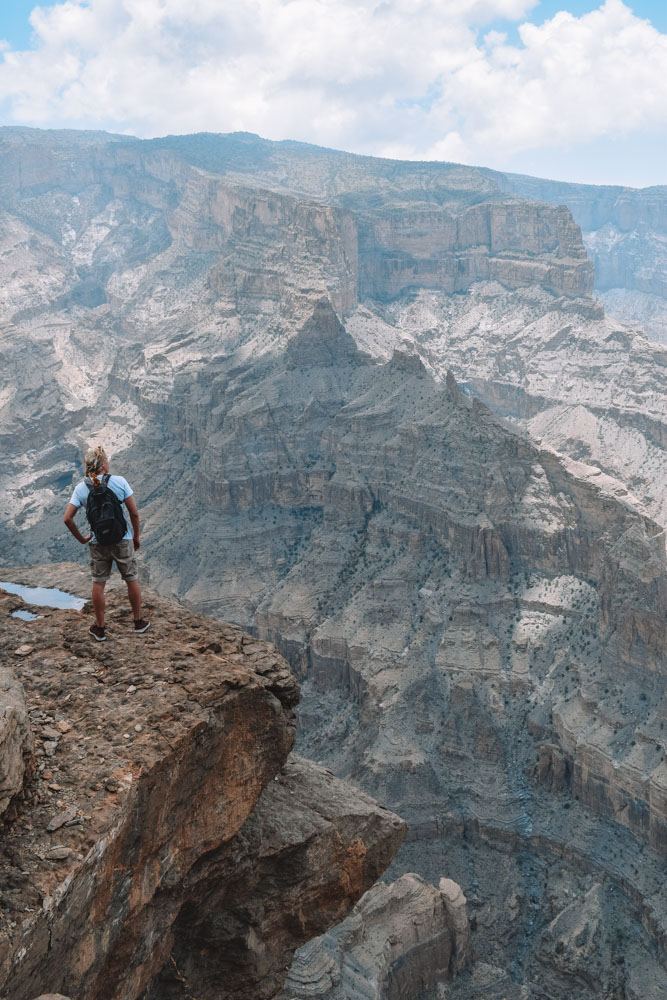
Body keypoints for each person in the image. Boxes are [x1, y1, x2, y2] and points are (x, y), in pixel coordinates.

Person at [63, 445, 150, 641]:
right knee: (131, 578)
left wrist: (81, 538)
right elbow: (134, 514)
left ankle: (100, 628)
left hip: (97, 541)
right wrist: (136, 537)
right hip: (122, 539)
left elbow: (67, 519)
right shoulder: (119, 482)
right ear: (103, 464)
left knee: (99, 583)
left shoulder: (81, 488)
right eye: (107, 460)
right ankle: (138, 622)